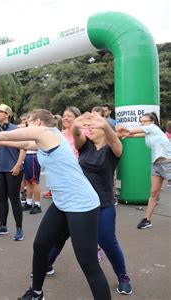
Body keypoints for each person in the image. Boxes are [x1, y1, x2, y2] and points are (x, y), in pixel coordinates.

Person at [0, 109, 111, 300]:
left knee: (88, 263)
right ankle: (36, 294)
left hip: (81, 204)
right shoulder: (48, 137)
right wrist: (1, 142)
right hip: (62, 203)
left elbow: (9, 133)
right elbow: (26, 143)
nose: (26, 125)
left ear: (37, 122)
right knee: (41, 245)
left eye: (28, 122)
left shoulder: (46, 133)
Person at [46, 112, 132, 294]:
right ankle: (46, 263)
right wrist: (77, 122)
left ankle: (123, 276)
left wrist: (103, 123)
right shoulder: (86, 145)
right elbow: (76, 133)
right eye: (89, 127)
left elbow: (113, 139)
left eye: (95, 127)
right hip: (78, 202)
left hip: (103, 203)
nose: (90, 129)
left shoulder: (114, 148)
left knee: (108, 241)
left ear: (106, 129)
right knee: (60, 234)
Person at [116, 112, 171, 229]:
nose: (143, 123)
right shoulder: (149, 133)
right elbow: (131, 135)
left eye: (145, 121)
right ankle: (147, 220)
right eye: (141, 121)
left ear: (153, 122)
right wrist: (119, 135)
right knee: (153, 193)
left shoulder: (153, 128)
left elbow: (130, 131)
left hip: (167, 163)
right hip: (156, 164)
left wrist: (122, 129)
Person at [0, 104, 26, 241]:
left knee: (14, 199)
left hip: (12, 169)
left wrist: (18, 165)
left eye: (0, 112)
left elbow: (23, 148)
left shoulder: (15, 129)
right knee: (2, 199)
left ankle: (19, 229)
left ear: (7, 114)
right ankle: (2, 226)